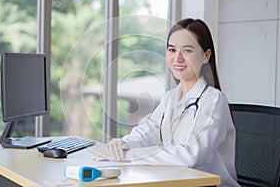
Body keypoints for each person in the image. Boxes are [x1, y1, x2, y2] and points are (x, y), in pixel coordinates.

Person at [95, 18, 239, 187]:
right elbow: (146, 133)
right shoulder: (170, 98)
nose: (177, 58)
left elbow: (190, 155)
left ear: (206, 56)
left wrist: (130, 155)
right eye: (172, 50)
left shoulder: (214, 100)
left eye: (187, 50)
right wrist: (122, 144)